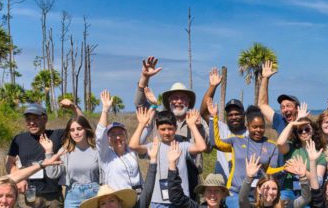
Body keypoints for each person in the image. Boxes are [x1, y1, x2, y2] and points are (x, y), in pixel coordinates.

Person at [206, 99, 284, 208]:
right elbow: (216, 141)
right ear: (248, 126)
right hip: (235, 194)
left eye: (261, 127)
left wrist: (286, 168)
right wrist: (213, 119)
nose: (258, 130)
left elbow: (270, 170)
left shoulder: (270, 147)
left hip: (257, 198)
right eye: (254, 127)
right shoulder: (236, 141)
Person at [6, 102, 67, 208]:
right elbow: (9, 163)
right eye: (28, 119)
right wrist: (19, 177)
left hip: (53, 195)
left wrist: (73, 108)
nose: (31, 123)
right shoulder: (19, 139)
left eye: (35, 119)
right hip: (29, 195)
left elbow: (83, 129)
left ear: (45, 118)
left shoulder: (56, 135)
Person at [134, 56, 206, 190]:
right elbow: (139, 103)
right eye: (175, 98)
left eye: (183, 98)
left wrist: (198, 127)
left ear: (189, 102)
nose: (178, 101)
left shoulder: (196, 118)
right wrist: (145, 77)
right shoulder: (159, 115)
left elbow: (206, 146)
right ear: (168, 101)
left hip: (191, 176)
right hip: (162, 173)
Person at [275, 103, 325, 208]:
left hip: (307, 196)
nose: (304, 133)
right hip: (288, 193)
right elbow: (280, 142)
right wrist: (293, 123)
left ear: (313, 131)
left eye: (307, 129)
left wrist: (304, 172)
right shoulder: (291, 149)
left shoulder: (320, 153)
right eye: (300, 130)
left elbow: (318, 180)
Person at [199, 67, 248, 182]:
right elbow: (204, 112)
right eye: (230, 115)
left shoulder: (250, 133)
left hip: (244, 186)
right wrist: (213, 86)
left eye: (237, 114)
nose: (234, 117)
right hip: (222, 186)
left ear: (243, 114)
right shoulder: (221, 128)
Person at [96, 89, 142, 196]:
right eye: (113, 134)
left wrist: (153, 107)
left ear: (125, 136)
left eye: (120, 133)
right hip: (118, 201)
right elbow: (99, 136)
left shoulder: (131, 151)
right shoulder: (105, 155)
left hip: (138, 198)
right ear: (108, 138)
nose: (117, 137)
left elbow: (144, 130)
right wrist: (105, 110)